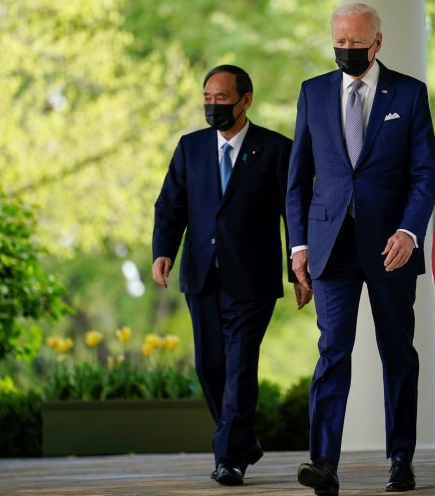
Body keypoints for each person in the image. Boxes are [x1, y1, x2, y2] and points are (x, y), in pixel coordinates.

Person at [286, 3, 435, 494]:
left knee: (397, 351)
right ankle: (324, 463)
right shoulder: (313, 93)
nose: (346, 50)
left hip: (391, 246)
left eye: (355, 42)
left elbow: (425, 174)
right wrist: (299, 246)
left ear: (377, 43)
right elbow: (297, 180)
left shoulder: (410, 95)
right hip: (331, 246)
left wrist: (410, 232)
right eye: (340, 41)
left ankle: (401, 460)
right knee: (333, 350)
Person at [152, 65, 311, 486]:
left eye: (221, 98)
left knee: (240, 367)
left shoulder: (276, 150)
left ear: (246, 100)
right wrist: (163, 250)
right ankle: (243, 440)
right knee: (210, 367)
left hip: (252, 279)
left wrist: (300, 267)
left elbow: (292, 212)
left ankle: (229, 459)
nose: (212, 106)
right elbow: (170, 203)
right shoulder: (190, 148)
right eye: (207, 97)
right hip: (201, 277)